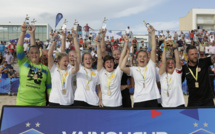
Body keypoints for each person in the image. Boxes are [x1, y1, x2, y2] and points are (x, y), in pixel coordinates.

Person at [121, 25, 160, 108]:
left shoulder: (151, 66)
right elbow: (121, 67)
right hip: (139, 100)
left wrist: (152, 34)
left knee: (153, 121)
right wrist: (127, 54)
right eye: (140, 56)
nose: (142, 58)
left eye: (144, 56)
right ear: (137, 59)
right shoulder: (133, 69)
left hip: (152, 99)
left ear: (148, 58)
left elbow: (153, 48)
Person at [16, 23, 51, 106]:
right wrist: (23, 32)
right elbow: (19, 48)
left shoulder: (45, 69)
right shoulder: (24, 63)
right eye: (32, 53)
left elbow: (49, 87)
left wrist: (51, 102)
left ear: (39, 54)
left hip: (40, 104)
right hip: (23, 103)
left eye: (36, 53)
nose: (34, 55)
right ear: (27, 54)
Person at [48, 31, 79, 106]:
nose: (66, 63)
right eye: (64, 61)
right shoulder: (53, 69)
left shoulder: (69, 69)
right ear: (58, 61)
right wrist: (54, 41)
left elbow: (76, 69)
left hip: (68, 102)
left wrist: (76, 60)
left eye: (67, 61)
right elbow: (49, 55)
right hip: (54, 101)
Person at [96, 29, 124, 108]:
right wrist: (98, 43)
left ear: (114, 63)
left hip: (118, 104)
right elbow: (99, 57)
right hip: (105, 105)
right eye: (107, 62)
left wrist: (125, 44)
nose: (109, 64)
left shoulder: (118, 71)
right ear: (104, 64)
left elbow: (122, 57)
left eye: (111, 62)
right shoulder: (101, 72)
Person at [159, 40, 185, 107]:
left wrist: (175, 48)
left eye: (172, 63)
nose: (170, 64)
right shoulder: (162, 75)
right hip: (165, 106)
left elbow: (178, 62)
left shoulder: (177, 74)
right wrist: (164, 48)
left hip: (178, 105)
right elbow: (163, 62)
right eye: (168, 63)